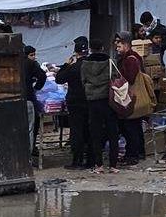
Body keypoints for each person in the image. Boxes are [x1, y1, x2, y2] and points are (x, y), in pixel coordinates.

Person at [81, 39, 119, 174]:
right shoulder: (110, 62)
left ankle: (99, 165)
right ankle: (113, 165)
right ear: (102, 47)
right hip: (108, 101)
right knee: (112, 132)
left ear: (90, 49)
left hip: (93, 101)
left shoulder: (85, 64)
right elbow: (115, 78)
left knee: (95, 133)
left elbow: (83, 81)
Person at [55, 36, 92, 170]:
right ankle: (90, 160)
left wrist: (66, 64)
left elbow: (59, 79)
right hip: (90, 101)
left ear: (76, 52)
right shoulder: (91, 65)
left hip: (75, 103)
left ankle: (77, 160)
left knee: (77, 132)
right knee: (89, 130)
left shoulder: (73, 67)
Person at [114, 31, 145, 166]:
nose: (117, 47)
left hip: (130, 97)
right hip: (133, 97)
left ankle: (132, 154)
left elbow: (130, 79)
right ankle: (139, 152)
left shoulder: (130, 59)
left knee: (130, 126)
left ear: (126, 44)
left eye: (119, 44)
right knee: (135, 126)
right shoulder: (131, 57)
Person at [23, 45, 47, 155]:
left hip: (13, 100)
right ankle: (29, 154)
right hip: (28, 99)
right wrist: (36, 88)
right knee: (29, 128)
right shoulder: (30, 64)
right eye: (31, 55)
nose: (33, 57)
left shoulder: (12, 63)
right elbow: (42, 76)